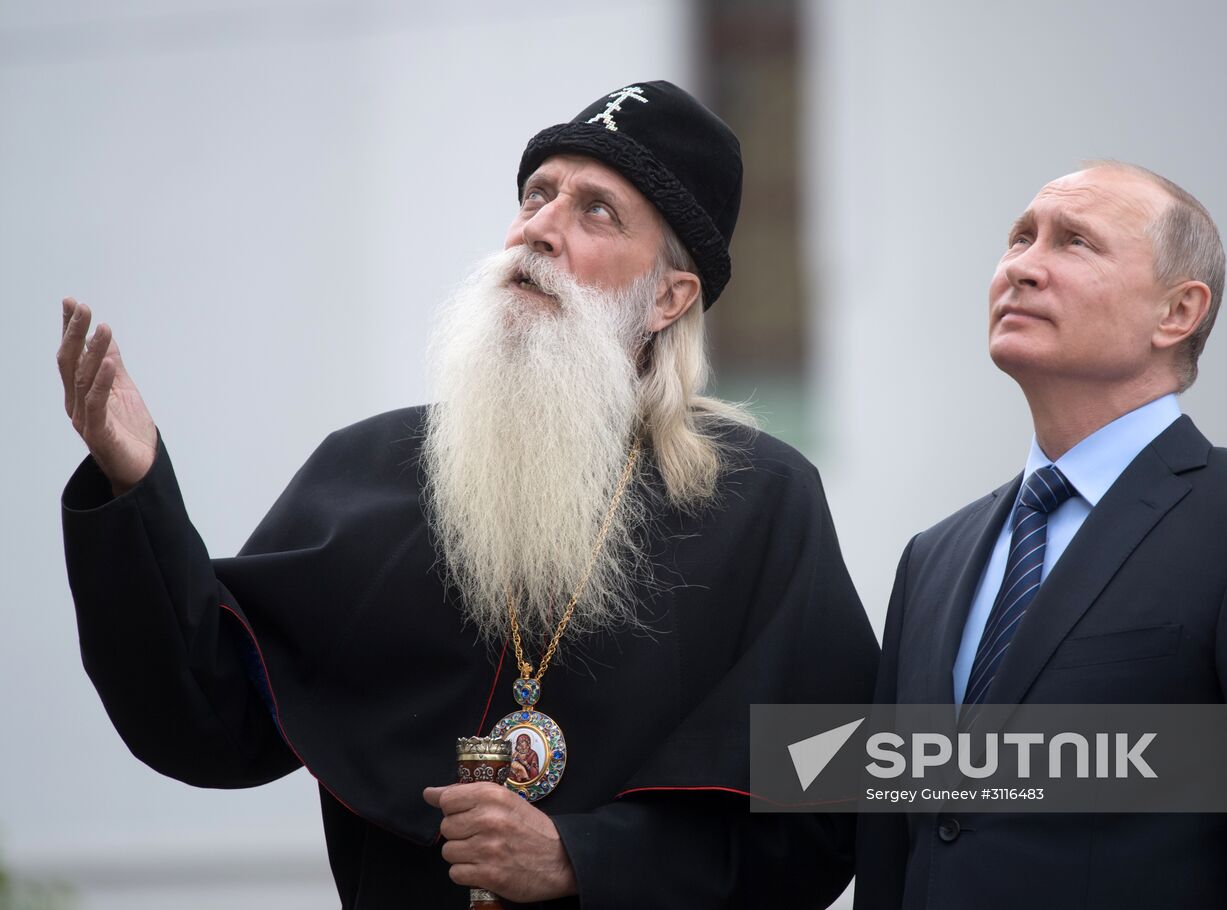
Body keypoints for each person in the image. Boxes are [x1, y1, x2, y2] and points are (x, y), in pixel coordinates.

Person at [58, 80, 877, 908]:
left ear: (669, 297)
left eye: (597, 211)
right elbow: (204, 713)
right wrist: (136, 484)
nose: (541, 230)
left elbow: (826, 810)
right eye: (538, 194)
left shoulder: (762, 502)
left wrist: (583, 859)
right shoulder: (370, 468)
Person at [855, 162, 1227, 908]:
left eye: (1074, 242)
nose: (1023, 267)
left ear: (1178, 311)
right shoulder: (935, 559)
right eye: (1019, 238)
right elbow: (900, 847)